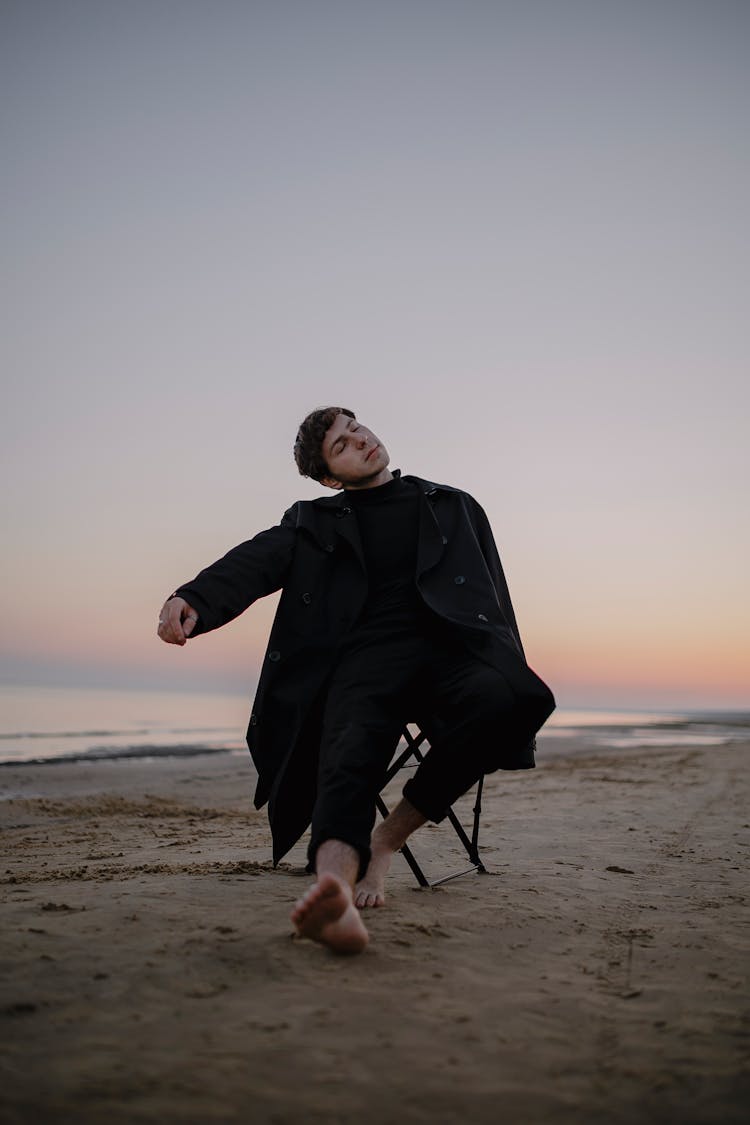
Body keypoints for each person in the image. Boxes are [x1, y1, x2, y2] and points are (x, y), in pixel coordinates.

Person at [158, 407, 554, 954]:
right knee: (349, 750)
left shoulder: (452, 505)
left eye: (357, 428)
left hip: (448, 655)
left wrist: (504, 658)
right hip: (363, 661)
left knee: (513, 697)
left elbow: (494, 598)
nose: (360, 440)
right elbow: (255, 561)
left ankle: (385, 843)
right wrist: (193, 599)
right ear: (330, 478)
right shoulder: (314, 521)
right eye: (342, 445)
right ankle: (334, 893)